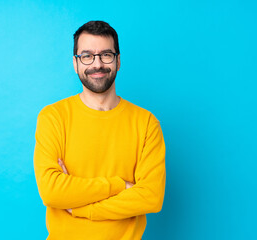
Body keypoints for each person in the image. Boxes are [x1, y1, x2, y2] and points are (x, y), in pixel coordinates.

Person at [33, 20, 166, 240]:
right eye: (86, 56)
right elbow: (52, 192)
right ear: (75, 63)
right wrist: (120, 185)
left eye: (106, 55)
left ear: (118, 61)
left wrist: (81, 208)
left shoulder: (146, 123)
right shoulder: (53, 117)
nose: (97, 64)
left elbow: (151, 197)